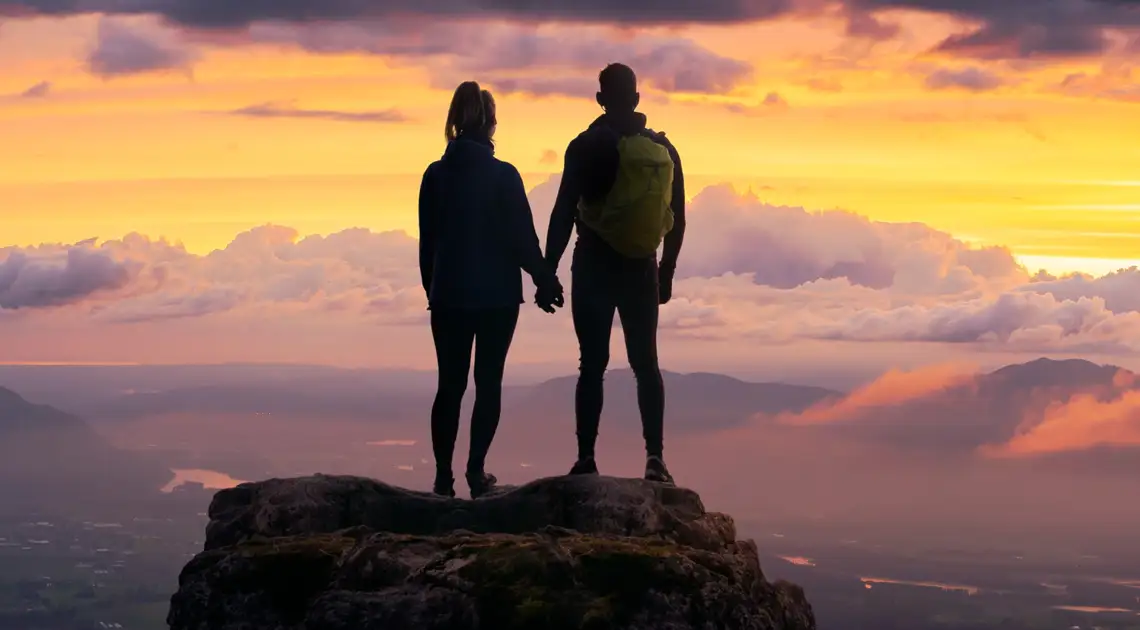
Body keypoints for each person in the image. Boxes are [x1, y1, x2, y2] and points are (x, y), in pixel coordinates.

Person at [419, 81, 564, 499]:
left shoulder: (434, 176)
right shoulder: (504, 176)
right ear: (492, 124)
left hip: (448, 296)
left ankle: (443, 478)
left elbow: (428, 242)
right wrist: (544, 278)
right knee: (488, 383)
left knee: (450, 385)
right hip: (498, 297)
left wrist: (435, 288)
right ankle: (476, 473)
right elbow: (522, 238)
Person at [543, 63, 686, 485]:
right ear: (637, 99)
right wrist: (667, 270)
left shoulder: (585, 145)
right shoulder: (663, 151)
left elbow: (564, 209)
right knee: (647, 364)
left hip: (594, 264)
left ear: (600, 99)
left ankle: (586, 457)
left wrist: (547, 272)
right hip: (641, 268)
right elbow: (677, 219)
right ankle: (655, 458)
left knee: (592, 365)